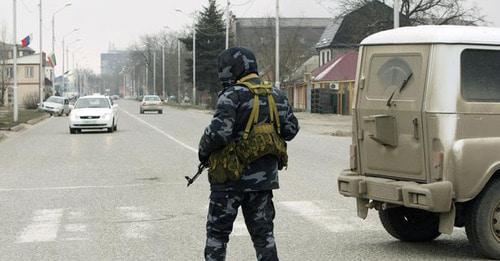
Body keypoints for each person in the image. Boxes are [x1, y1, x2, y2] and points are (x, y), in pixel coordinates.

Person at [198, 47, 299, 261]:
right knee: (264, 237)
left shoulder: (231, 95)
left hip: (228, 181)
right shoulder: (277, 95)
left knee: (217, 236)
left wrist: (203, 152)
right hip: (263, 182)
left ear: (233, 69)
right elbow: (291, 130)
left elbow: (219, 134)